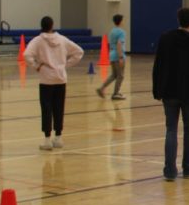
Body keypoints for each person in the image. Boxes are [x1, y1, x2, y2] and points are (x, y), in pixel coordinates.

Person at [153, 7, 189, 180]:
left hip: (169, 91)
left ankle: (169, 170)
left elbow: (158, 65)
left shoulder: (165, 39)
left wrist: (157, 88)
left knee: (171, 129)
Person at [24, 16, 84, 151]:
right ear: (52, 25)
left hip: (46, 80)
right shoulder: (62, 39)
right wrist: (64, 65)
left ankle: (47, 139)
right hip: (61, 79)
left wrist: (36, 66)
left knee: (46, 109)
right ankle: (58, 137)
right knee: (59, 108)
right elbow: (79, 51)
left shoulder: (38, 41)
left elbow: (26, 55)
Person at [96, 14, 128, 100]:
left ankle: (102, 88)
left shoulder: (112, 31)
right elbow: (119, 44)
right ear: (120, 21)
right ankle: (115, 93)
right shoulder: (121, 32)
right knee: (120, 76)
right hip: (118, 55)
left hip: (112, 55)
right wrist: (121, 57)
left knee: (114, 75)